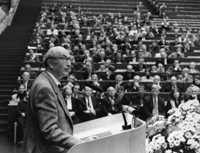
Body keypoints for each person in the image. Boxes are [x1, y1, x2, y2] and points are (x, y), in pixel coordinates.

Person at [21, 46, 95, 153]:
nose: (69, 64)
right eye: (64, 58)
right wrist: (80, 143)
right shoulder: (44, 87)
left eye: (69, 59)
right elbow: (49, 131)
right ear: (50, 63)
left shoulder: (48, 82)